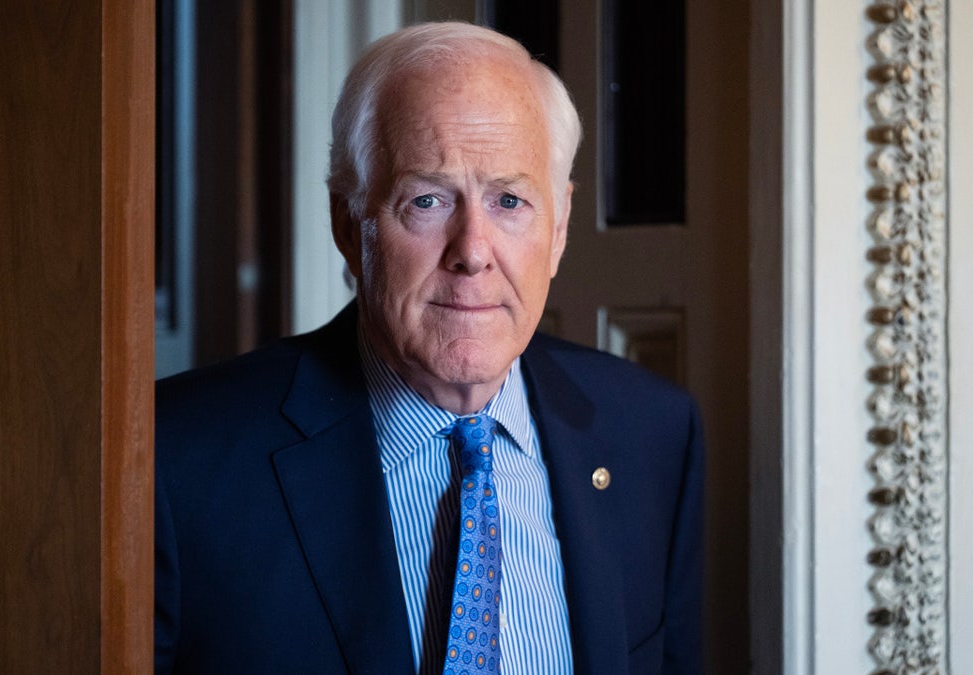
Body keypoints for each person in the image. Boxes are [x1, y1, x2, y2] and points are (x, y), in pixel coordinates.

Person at [155, 21, 703, 674]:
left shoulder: (652, 433)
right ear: (346, 222)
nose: (472, 251)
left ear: (558, 228)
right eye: (427, 200)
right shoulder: (178, 456)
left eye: (509, 199)